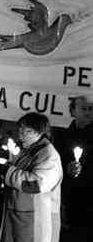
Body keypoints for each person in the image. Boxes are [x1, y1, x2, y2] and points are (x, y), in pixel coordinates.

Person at [0, 112, 62, 242]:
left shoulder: (49, 155)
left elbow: (36, 184)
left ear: (40, 132)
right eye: (20, 130)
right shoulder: (28, 151)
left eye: (26, 131)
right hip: (20, 216)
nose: (20, 134)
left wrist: (7, 172)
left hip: (36, 219)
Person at [53, 96, 93, 241]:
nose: (88, 112)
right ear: (73, 111)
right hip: (73, 198)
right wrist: (66, 168)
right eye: (83, 109)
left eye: (91, 109)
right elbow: (55, 164)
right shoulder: (62, 135)